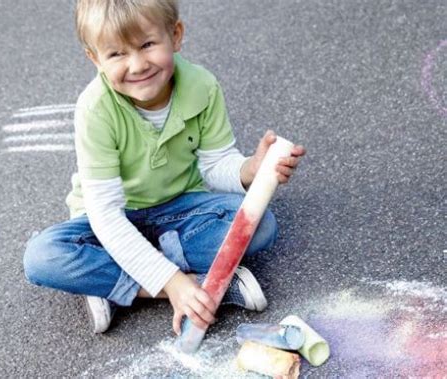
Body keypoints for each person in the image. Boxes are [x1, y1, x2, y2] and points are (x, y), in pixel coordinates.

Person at [23, 0, 306, 335]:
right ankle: (203, 287)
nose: (138, 64)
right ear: (95, 59)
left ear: (176, 35)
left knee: (260, 226)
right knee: (42, 256)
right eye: (117, 54)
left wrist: (250, 170)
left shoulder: (202, 86)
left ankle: (112, 284)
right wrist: (172, 284)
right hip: (109, 219)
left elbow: (215, 164)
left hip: (177, 210)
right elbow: (106, 216)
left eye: (147, 45)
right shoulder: (95, 109)